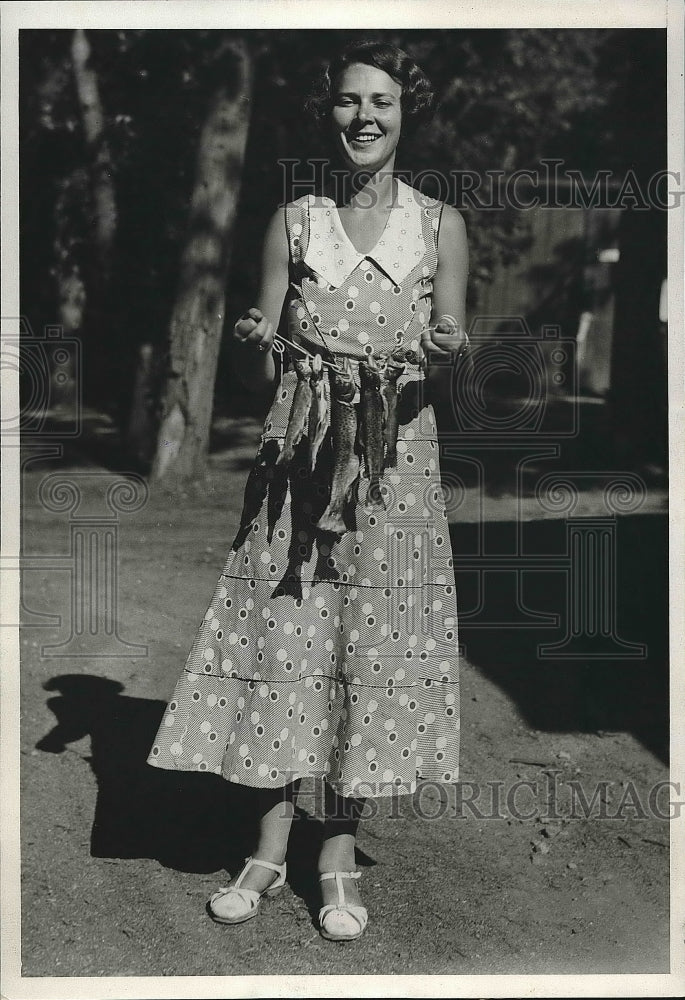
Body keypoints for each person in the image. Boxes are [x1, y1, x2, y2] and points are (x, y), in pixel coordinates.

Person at [148, 39, 469, 943]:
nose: (363, 116)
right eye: (347, 101)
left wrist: (447, 347)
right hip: (297, 467)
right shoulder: (293, 222)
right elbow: (262, 343)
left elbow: (451, 341)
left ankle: (336, 854)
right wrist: (260, 336)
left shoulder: (439, 224)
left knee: (369, 652)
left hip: (394, 472)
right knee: (289, 639)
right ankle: (266, 842)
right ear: (327, 113)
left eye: (383, 102)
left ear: (407, 116)